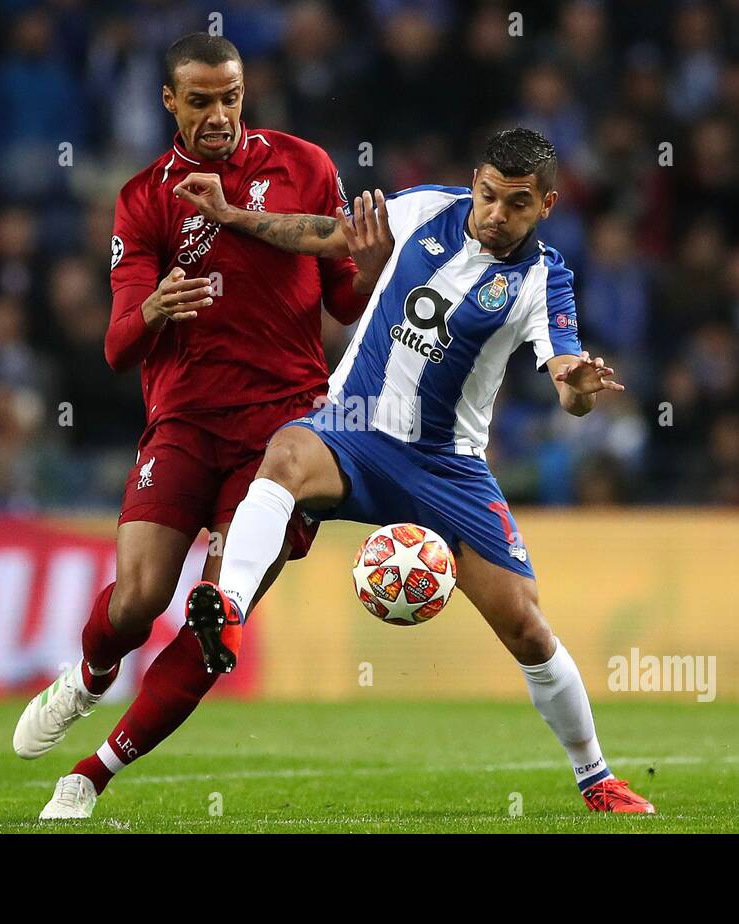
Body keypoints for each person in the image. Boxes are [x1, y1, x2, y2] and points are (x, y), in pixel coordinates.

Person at [171, 127, 656, 813]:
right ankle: (230, 609)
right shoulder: (429, 208)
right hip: (355, 428)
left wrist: (578, 385)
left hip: (447, 467)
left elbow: (567, 386)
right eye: (488, 195)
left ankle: (597, 777)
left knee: (526, 628)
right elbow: (326, 235)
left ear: (546, 206)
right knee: (283, 454)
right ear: (474, 181)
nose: (495, 213)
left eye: (516, 204)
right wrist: (231, 215)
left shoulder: (546, 280)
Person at [13, 32, 394, 820]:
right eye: (200, 100)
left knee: (218, 612)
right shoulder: (144, 197)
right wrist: (152, 308)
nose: (218, 115)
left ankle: (91, 774)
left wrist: (375, 263)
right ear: (169, 101)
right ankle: (88, 677)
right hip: (183, 421)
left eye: (230, 97)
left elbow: (345, 302)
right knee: (139, 599)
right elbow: (120, 347)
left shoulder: (304, 166)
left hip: (284, 436)